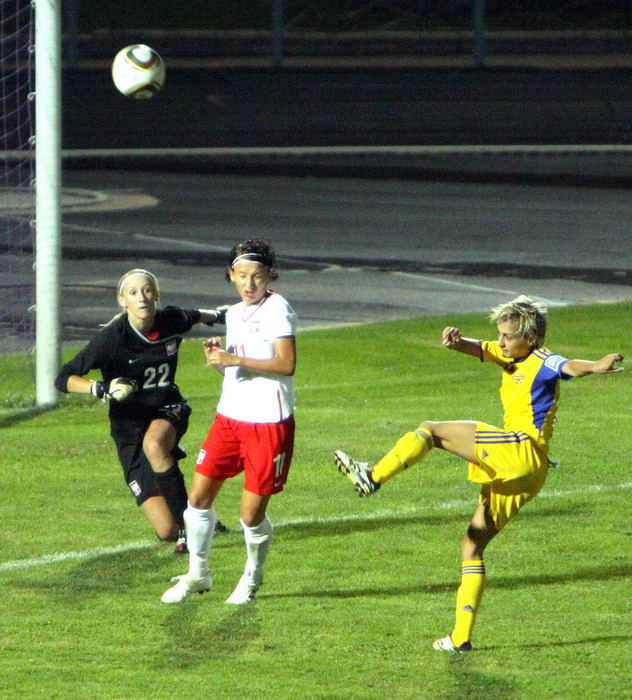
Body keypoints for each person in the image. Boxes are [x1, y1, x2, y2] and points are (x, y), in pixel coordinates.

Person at [333, 295, 623, 652]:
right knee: (472, 546)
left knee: (431, 430)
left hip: (519, 450)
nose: (501, 341)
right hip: (530, 474)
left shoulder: (543, 360)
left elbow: (569, 366)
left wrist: (595, 365)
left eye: (507, 336)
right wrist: (458, 343)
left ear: (530, 339)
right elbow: (483, 349)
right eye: (500, 334)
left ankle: (373, 476)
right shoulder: (511, 354)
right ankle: (460, 638)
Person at [161, 238, 297, 605]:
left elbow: (286, 364)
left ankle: (252, 575)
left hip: (268, 424)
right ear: (231, 275)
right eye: (242, 275)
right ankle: (198, 573)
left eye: (257, 276)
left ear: (270, 275)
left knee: (250, 516)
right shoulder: (235, 314)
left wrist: (235, 360)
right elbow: (241, 371)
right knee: (197, 499)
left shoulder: (278, 309)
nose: (250, 284)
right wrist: (221, 362)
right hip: (229, 419)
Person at [54, 268, 229, 552]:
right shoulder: (111, 338)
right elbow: (63, 378)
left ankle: (190, 530)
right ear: (122, 300)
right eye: (133, 292)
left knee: (155, 445)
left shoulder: (170, 319)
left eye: (147, 290)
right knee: (165, 529)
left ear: (156, 295)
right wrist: (101, 388)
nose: (142, 297)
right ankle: (198, 522)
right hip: (128, 427)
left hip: (168, 407)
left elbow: (198, 315)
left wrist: (221, 316)